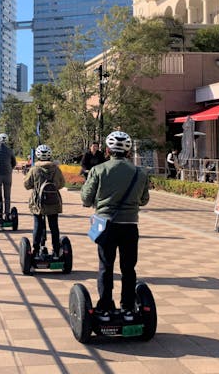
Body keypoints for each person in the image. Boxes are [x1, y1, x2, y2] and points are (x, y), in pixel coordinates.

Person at [81, 131, 150, 322]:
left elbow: (86, 198)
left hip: (106, 226)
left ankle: (104, 307)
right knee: (128, 268)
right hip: (130, 225)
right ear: (129, 152)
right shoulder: (140, 172)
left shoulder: (98, 170)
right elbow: (144, 200)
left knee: (106, 266)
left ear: (107, 150)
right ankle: (128, 307)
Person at [24, 144, 65, 257]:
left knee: (38, 225)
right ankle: (56, 250)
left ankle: (36, 250)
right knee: (54, 226)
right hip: (54, 202)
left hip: (38, 203)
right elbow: (62, 184)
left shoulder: (34, 169)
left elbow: (26, 185)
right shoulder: (56, 169)